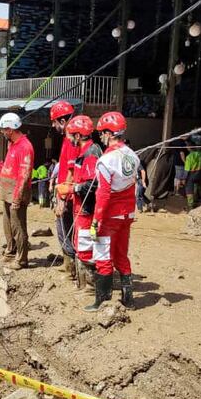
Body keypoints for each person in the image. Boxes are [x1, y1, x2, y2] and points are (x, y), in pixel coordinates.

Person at [86, 112, 140, 312]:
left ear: (109, 133)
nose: (100, 136)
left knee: (103, 255)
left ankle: (102, 301)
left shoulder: (106, 160)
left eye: (102, 133)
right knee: (121, 255)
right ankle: (129, 299)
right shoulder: (133, 156)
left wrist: (96, 220)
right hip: (128, 214)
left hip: (110, 215)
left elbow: (104, 193)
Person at [55, 116, 102, 285]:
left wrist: (71, 189)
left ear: (78, 136)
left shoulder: (91, 153)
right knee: (80, 244)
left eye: (71, 135)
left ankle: (89, 286)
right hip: (80, 206)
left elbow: (92, 184)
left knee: (85, 247)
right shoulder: (84, 152)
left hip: (87, 208)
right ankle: (82, 283)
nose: (69, 139)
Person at [0, 113, 34, 270]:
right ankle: (11, 251)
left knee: (18, 226)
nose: (3, 133)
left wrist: (17, 198)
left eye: (4, 130)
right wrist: (0, 183)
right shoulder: (12, 144)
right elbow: (7, 165)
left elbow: (24, 176)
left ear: (10, 129)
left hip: (17, 190)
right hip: (6, 189)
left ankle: (22, 259)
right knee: (7, 224)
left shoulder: (25, 147)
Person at [49, 100, 79, 280]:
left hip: (67, 193)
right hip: (64, 190)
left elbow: (71, 171)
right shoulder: (68, 138)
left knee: (65, 228)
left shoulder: (71, 140)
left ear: (62, 120)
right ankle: (67, 262)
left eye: (54, 122)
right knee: (63, 228)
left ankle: (72, 268)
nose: (53, 126)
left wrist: (62, 197)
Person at [183, 136, 201, 210]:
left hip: (191, 174)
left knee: (189, 189)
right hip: (200, 173)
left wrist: (184, 179)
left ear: (189, 148)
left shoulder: (189, 157)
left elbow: (187, 170)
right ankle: (197, 200)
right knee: (196, 187)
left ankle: (190, 206)